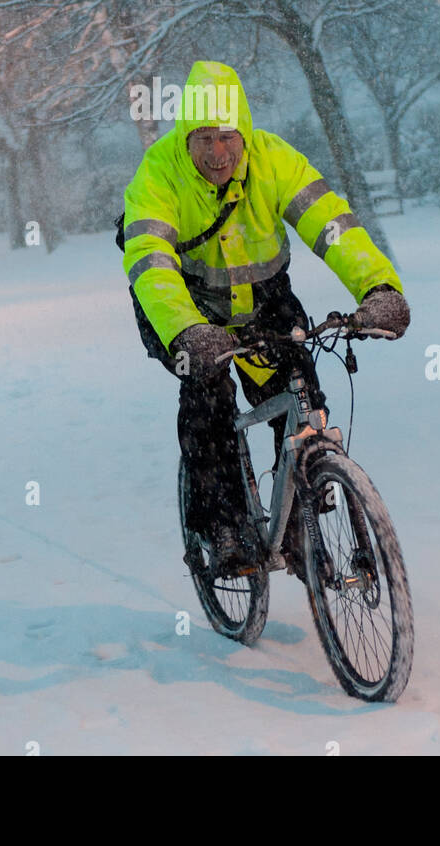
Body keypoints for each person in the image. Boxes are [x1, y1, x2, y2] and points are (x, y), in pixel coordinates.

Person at [121, 60, 410, 578]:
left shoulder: (275, 161)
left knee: (300, 393)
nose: (217, 153)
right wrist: (186, 329)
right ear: (186, 136)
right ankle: (224, 524)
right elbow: (151, 261)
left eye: (228, 136)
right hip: (183, 306)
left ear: (245, 132)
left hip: (262, 299)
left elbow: (332, 225)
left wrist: (378, 287)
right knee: (208, 395)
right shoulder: (157, 175)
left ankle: (300, 520)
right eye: (204, 138)